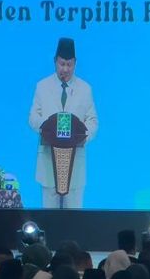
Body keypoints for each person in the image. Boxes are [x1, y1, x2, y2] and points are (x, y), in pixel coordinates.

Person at [29, 37, 98, 209]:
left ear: (75, 63)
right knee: (50, 218)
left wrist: (83, 136)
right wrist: (47, 127)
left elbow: (93, 121)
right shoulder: (42, 86)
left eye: (69, 64)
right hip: (48, 161)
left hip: (75, 164)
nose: (65, 69)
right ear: (55, 62)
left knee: (74, 219)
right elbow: (32, 117)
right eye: (61, 64)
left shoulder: (85, 89)